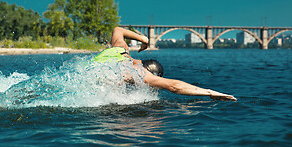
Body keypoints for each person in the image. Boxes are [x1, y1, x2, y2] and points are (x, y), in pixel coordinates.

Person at [94, 27, 237, 101]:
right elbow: (174, 86)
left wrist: (144, 39)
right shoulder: (138, 72)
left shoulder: (120, 49)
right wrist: (209, 92)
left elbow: (117, 30)